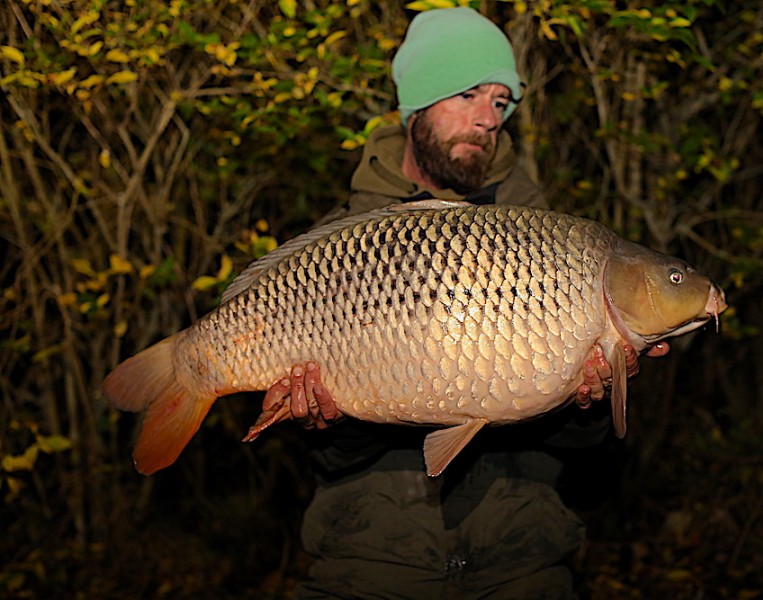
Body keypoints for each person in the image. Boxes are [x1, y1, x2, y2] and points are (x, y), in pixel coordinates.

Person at [249, 8, 667, 599]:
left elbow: (587, 455)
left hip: (525, 568)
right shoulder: (338, 246)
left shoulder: (555, 246)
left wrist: (585, 403)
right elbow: (333, 463)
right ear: (415, 104)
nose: (487, 118)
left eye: (501, 102)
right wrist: (331, 422)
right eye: (468, 93)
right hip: (368, 569)